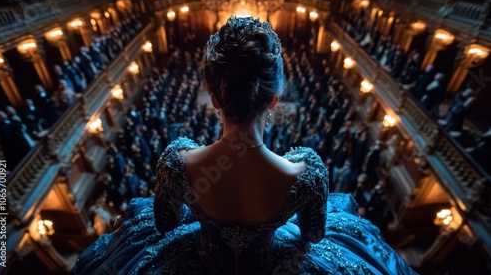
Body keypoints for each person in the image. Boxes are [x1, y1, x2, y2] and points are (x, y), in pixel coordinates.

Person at [73, 17, 416, 274]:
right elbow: (312, 235)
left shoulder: (176, 162)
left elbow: (166, 226)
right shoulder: (306, 173)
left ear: (213, 98)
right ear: (274, 101)